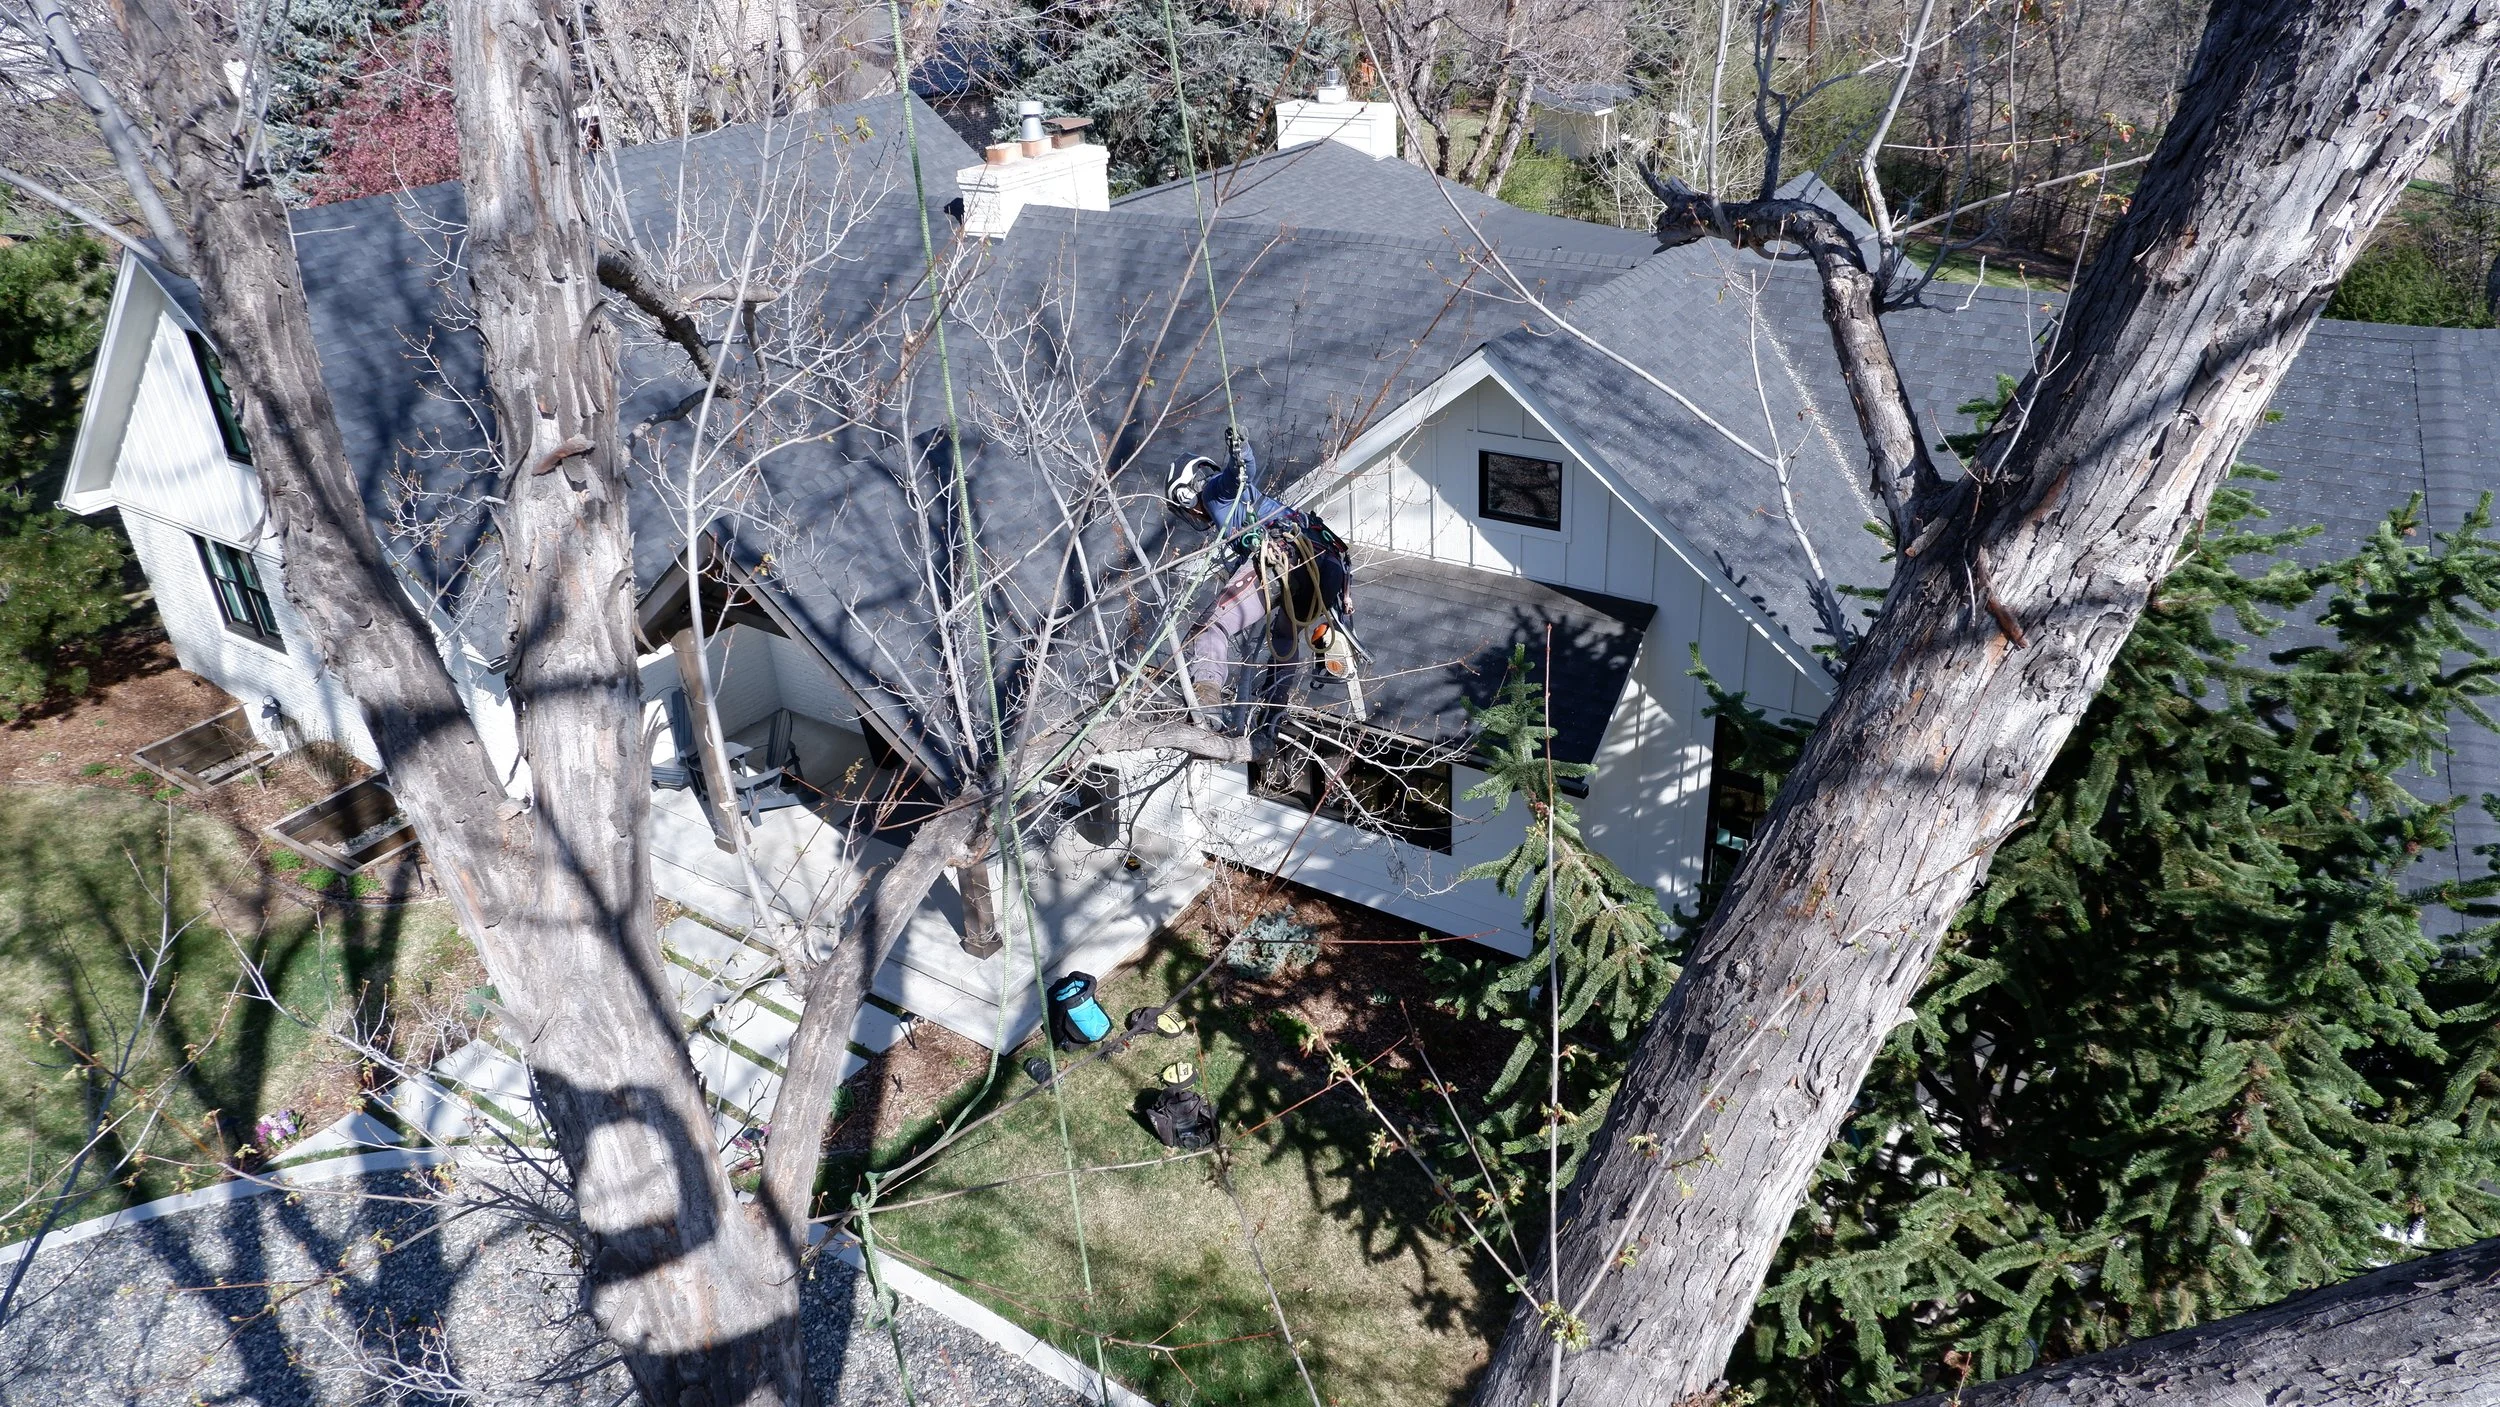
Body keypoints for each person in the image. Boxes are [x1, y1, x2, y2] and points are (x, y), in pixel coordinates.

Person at [1167, 427, 1354, 711]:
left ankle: (1205, 703)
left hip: (1285, 558)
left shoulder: (1214, 493)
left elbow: (1240, 473)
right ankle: (1271, 719)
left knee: (1210, 628)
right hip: (1328, 566)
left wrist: (1240, 450)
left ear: (1185, 495)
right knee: (1285, 639)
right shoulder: (1242, 505)